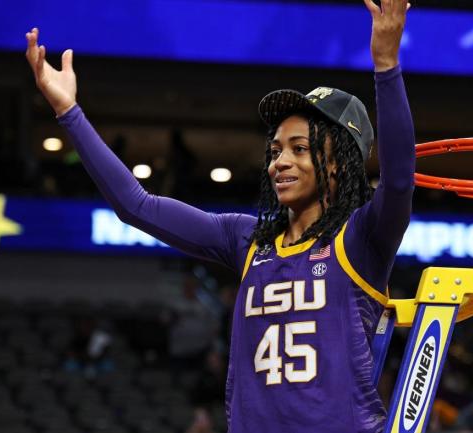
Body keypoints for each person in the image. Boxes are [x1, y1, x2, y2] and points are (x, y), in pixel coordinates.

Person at [25, 0, 414, 431]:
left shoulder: (360, 239)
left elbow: (398, 183)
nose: (279, 162)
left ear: (340, 162)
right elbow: (136, 205)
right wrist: (69, 113)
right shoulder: (247, 240)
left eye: (299, 149)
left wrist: (386, 64)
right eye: (275, 150)